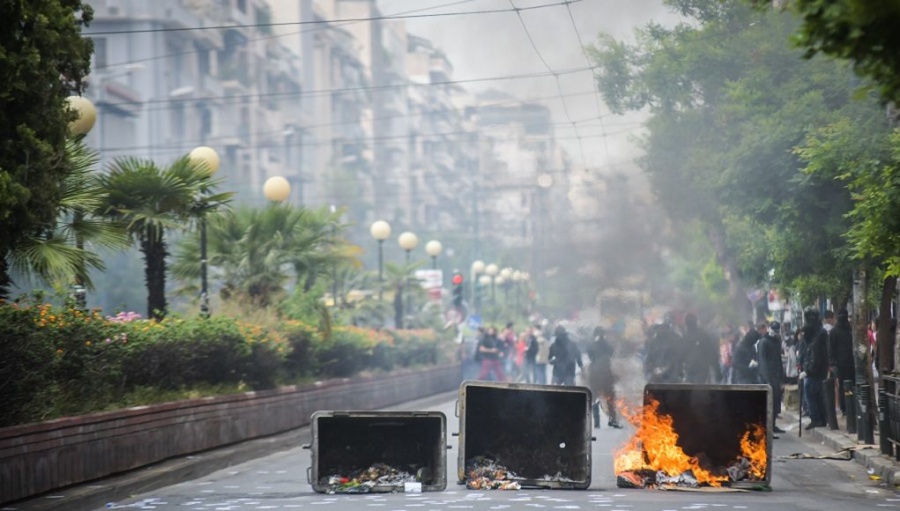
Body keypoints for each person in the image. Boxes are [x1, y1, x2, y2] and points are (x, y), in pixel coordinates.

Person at [586, 327, 622, 428]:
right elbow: (611, 352)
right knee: (609, 398)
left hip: (595, 374)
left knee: (595, 398)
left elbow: (590, 355)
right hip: (606, 374)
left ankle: (597, 422)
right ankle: (612, 419)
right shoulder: (606, 345)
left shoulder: (592, 344)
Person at [799, 307, 829, 430]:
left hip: (813, 372)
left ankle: (816, 419)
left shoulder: (815, 334)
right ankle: (821, 419)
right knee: (818, 396)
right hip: (818, 370)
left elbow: (814, 355)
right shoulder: (819, 331)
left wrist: (807, 371)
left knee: (811, 395)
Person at [758, 321, 786, 433]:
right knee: (769, 402)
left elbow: (778, 358)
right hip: (768, 376)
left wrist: (781, 375)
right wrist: (766, 378)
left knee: (776, 401)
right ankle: (767, 426)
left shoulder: (776, 341)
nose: (775, 332)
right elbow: (763, 361)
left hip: (776, 375)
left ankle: (773, 424)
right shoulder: (764, 342)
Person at [681, 313, 723, 384]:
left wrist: (717, 370)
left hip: (699, 370)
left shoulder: (701, 336)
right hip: (691, 371)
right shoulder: (686, 337)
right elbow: (712, 353)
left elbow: (711, 353)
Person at [643, 314, 683, 383]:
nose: (661, 330)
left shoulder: (676, 339)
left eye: (663, 328)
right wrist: (651, 373)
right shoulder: (653, 342)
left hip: (673, 376)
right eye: (659, 328)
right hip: (657, 376)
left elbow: (680, 358)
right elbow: (648, 359)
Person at [828, 308, 853, 416]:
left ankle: (848, 407)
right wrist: (833, 364)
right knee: (844, 387)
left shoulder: (850, 330)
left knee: (849, 387)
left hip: (849, 364)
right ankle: (845, 407)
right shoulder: (835, 332)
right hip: (842, 365)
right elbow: (831, 350)